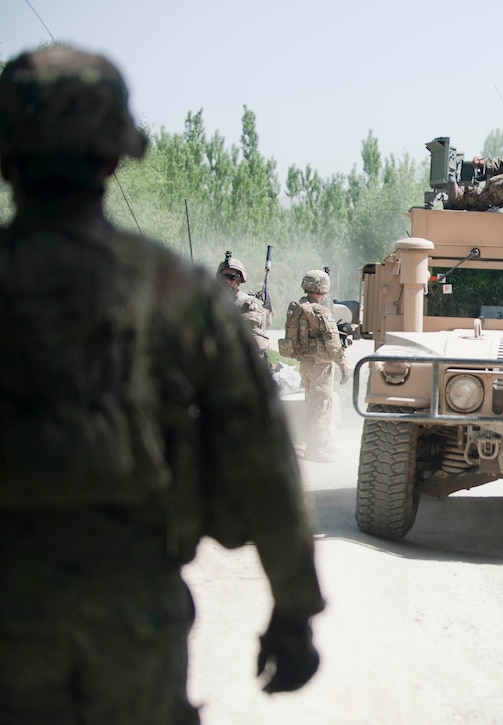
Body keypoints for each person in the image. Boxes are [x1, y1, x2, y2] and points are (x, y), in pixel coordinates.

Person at [0, 44, 324, 723]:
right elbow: (261, 457)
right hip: (134, 625)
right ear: (115, 156)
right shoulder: (181, 294)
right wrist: (292, 609)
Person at [283, 269, 348, 463]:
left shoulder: (298, 307)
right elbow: (333, 342)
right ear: (323, 289)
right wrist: (344, 364)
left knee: (313, 403)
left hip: (305, 363)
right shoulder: (320, 311)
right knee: (322, 406)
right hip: (320, 365)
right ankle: (316, 448)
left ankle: (321, 442)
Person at [217, 250, 271, 362]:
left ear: (239, 279)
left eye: (231, 277)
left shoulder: (248, 304)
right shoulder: (214, 302)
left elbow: (254, 345)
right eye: (223, 277)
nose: (226, 281)